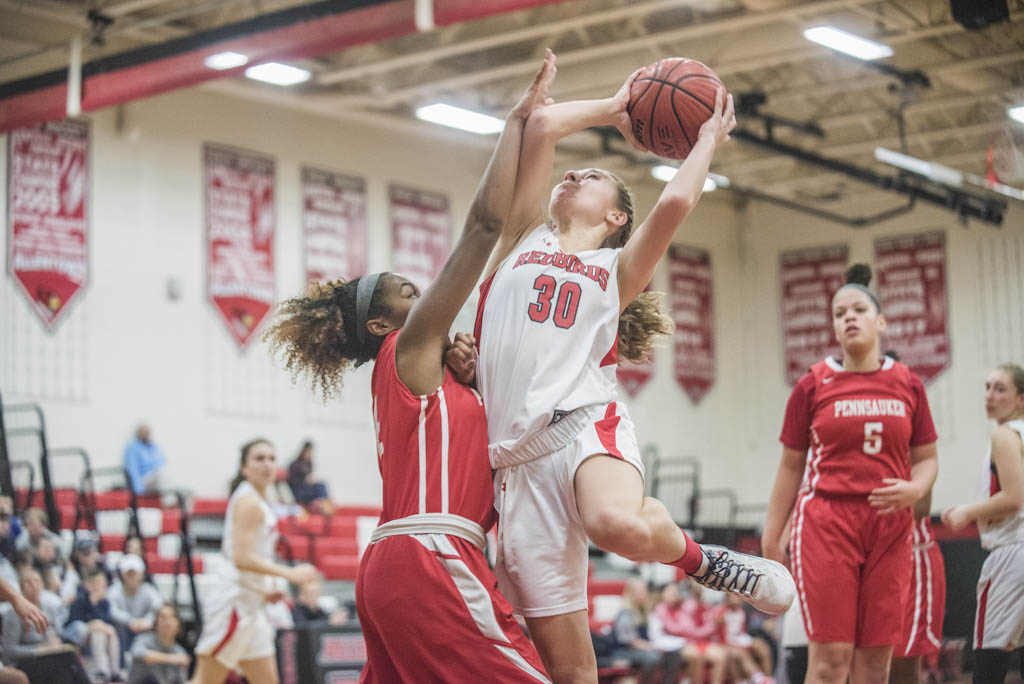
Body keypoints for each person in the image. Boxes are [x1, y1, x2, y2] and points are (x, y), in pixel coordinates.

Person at [452, 57, 792, 682]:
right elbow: (543, 127)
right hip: (516, 466)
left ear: (615, 219)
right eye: (576, 171)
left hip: (585, 424)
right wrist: (618, 105)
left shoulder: (617, 271)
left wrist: (708, 138)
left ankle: (707, 562)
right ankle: (677, 541)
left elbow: (680, 199)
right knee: (572, 672)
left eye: (594, 177)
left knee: (612, 522)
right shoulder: (524, 237)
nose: (574, 172)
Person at [264, 51, 558, 684]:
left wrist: (470, 376)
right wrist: (513, 125)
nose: (418, 290)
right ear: (379, 324)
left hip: (396, 561)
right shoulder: (404, 349)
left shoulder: (428, 374)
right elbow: (484, 227)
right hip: (432, 554)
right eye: (403, 289)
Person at [761, 264, 939, 684]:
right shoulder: (813, 385)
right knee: (830, 663)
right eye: (840, 314)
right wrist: (772, 537)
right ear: (835, 328)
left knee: (875, 665)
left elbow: (928, 458)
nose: (849, 318)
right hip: (827, 521)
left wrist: (914, 487)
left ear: (880, 322)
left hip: (890, 528)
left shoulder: (909, 384)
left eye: (858, 309)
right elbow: (790, 467)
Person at [188, 439, 319, 684]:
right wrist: (290, 574)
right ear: (243, 467)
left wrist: (264, 589)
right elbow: (242, 558)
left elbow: (254, 557)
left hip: (253, 603)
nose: (267, 464)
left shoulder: (259, 500)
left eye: (271, 458)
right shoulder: (248, 502)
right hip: (233, 604)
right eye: (259, 458)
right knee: (204, 681)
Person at [942, 363, 1024, 684]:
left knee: (988, 655)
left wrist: (968, 512)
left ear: (1021, 398)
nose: (990, 395)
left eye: (1000, 389)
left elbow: (1015, 498)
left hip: (1011, 552)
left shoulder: (1005, 435)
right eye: (987, 387)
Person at [890, 489, 945, 684]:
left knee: (901, 667)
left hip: (910, 558)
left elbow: (921, 506)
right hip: (865, 560)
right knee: (856, 663)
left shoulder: (916, 459)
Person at [609, 578, 682, 684]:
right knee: (652, 657)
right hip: (624, 651)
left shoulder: (643, 610)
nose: (645, 594)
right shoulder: (626, 613)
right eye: (642, 591)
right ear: (632, 593)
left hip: (643, 646)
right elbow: (631, 642)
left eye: (645, 590)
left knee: (673, 654)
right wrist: (653, 647)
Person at [652, 581, 727, 684]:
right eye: (671, 593)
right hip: (676, 643)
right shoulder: (661, 609)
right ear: (663, 595)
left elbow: (690, 628)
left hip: (688, 641)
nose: (675, 595)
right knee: (697, 656)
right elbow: (676, 628)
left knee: (720, 656)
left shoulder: (686, 607)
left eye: (676, 592)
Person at [63, 567, 124, 682]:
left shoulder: (104, 602)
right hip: (76, 633)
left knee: (107, 632)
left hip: (98, 633)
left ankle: (114, 671)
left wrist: (95, 605)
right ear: (88, 584)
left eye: (102, 583)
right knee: (98, 631)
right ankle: (102, 670)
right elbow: (75, 619)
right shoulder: (80, 598)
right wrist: (93, 623)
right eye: (96, 583)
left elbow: (106, 620)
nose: (100, 587)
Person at [0, 567, 67, 665]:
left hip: (48, 656)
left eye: (37, 581)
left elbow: (58, 633)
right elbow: (9, 651)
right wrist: (39, 649)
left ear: (43, 585)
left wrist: (55, 641)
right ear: (21, 587)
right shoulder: (14, 612)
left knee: (68, 657)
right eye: (29, 583)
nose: (34, 586)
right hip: (24, 662)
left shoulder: (49, 607)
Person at [109, 554, 163, 648]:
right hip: (121, 631)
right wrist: (130, 621)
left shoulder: (149, 590)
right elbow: (111, 610)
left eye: (134, 573)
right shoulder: (113, 590)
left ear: (142, 574)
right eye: (128, 573)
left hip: (144, 630)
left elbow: (159, 606)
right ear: (122, 575)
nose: (132, 576)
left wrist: (148, 621)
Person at [127, 604, 190, 684]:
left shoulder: (179, 652)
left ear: (178, 624)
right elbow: (138, 654)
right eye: (163, 617)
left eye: (171, 617)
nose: (167, 621)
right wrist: (172, 659)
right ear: (156, 623)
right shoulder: (144, 640)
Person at [286, 441, 333, 515]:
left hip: (306, 490)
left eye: (310, 452)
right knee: (320, 487)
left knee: (321, 484)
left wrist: (311, 481)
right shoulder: (295, 464)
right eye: (308, 451)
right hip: (298, 492)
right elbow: (291, 481)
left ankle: (326, 506)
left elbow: (309, 478)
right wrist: (304, 481)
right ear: (303, 451)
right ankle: (326, 507)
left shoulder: (309, 464)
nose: (309, 454)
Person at [124, 424, 167, 496]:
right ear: (139, 433)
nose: (147, 434)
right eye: (145, 432)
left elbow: (162, 463)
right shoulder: (133, 448)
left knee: (164, 474)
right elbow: (133, 470)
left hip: (158, 478)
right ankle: (170, 505)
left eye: (148, 432)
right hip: (144, 480)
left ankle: (175, 501)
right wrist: (138, 491)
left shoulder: (154, 446)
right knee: (162, 476)